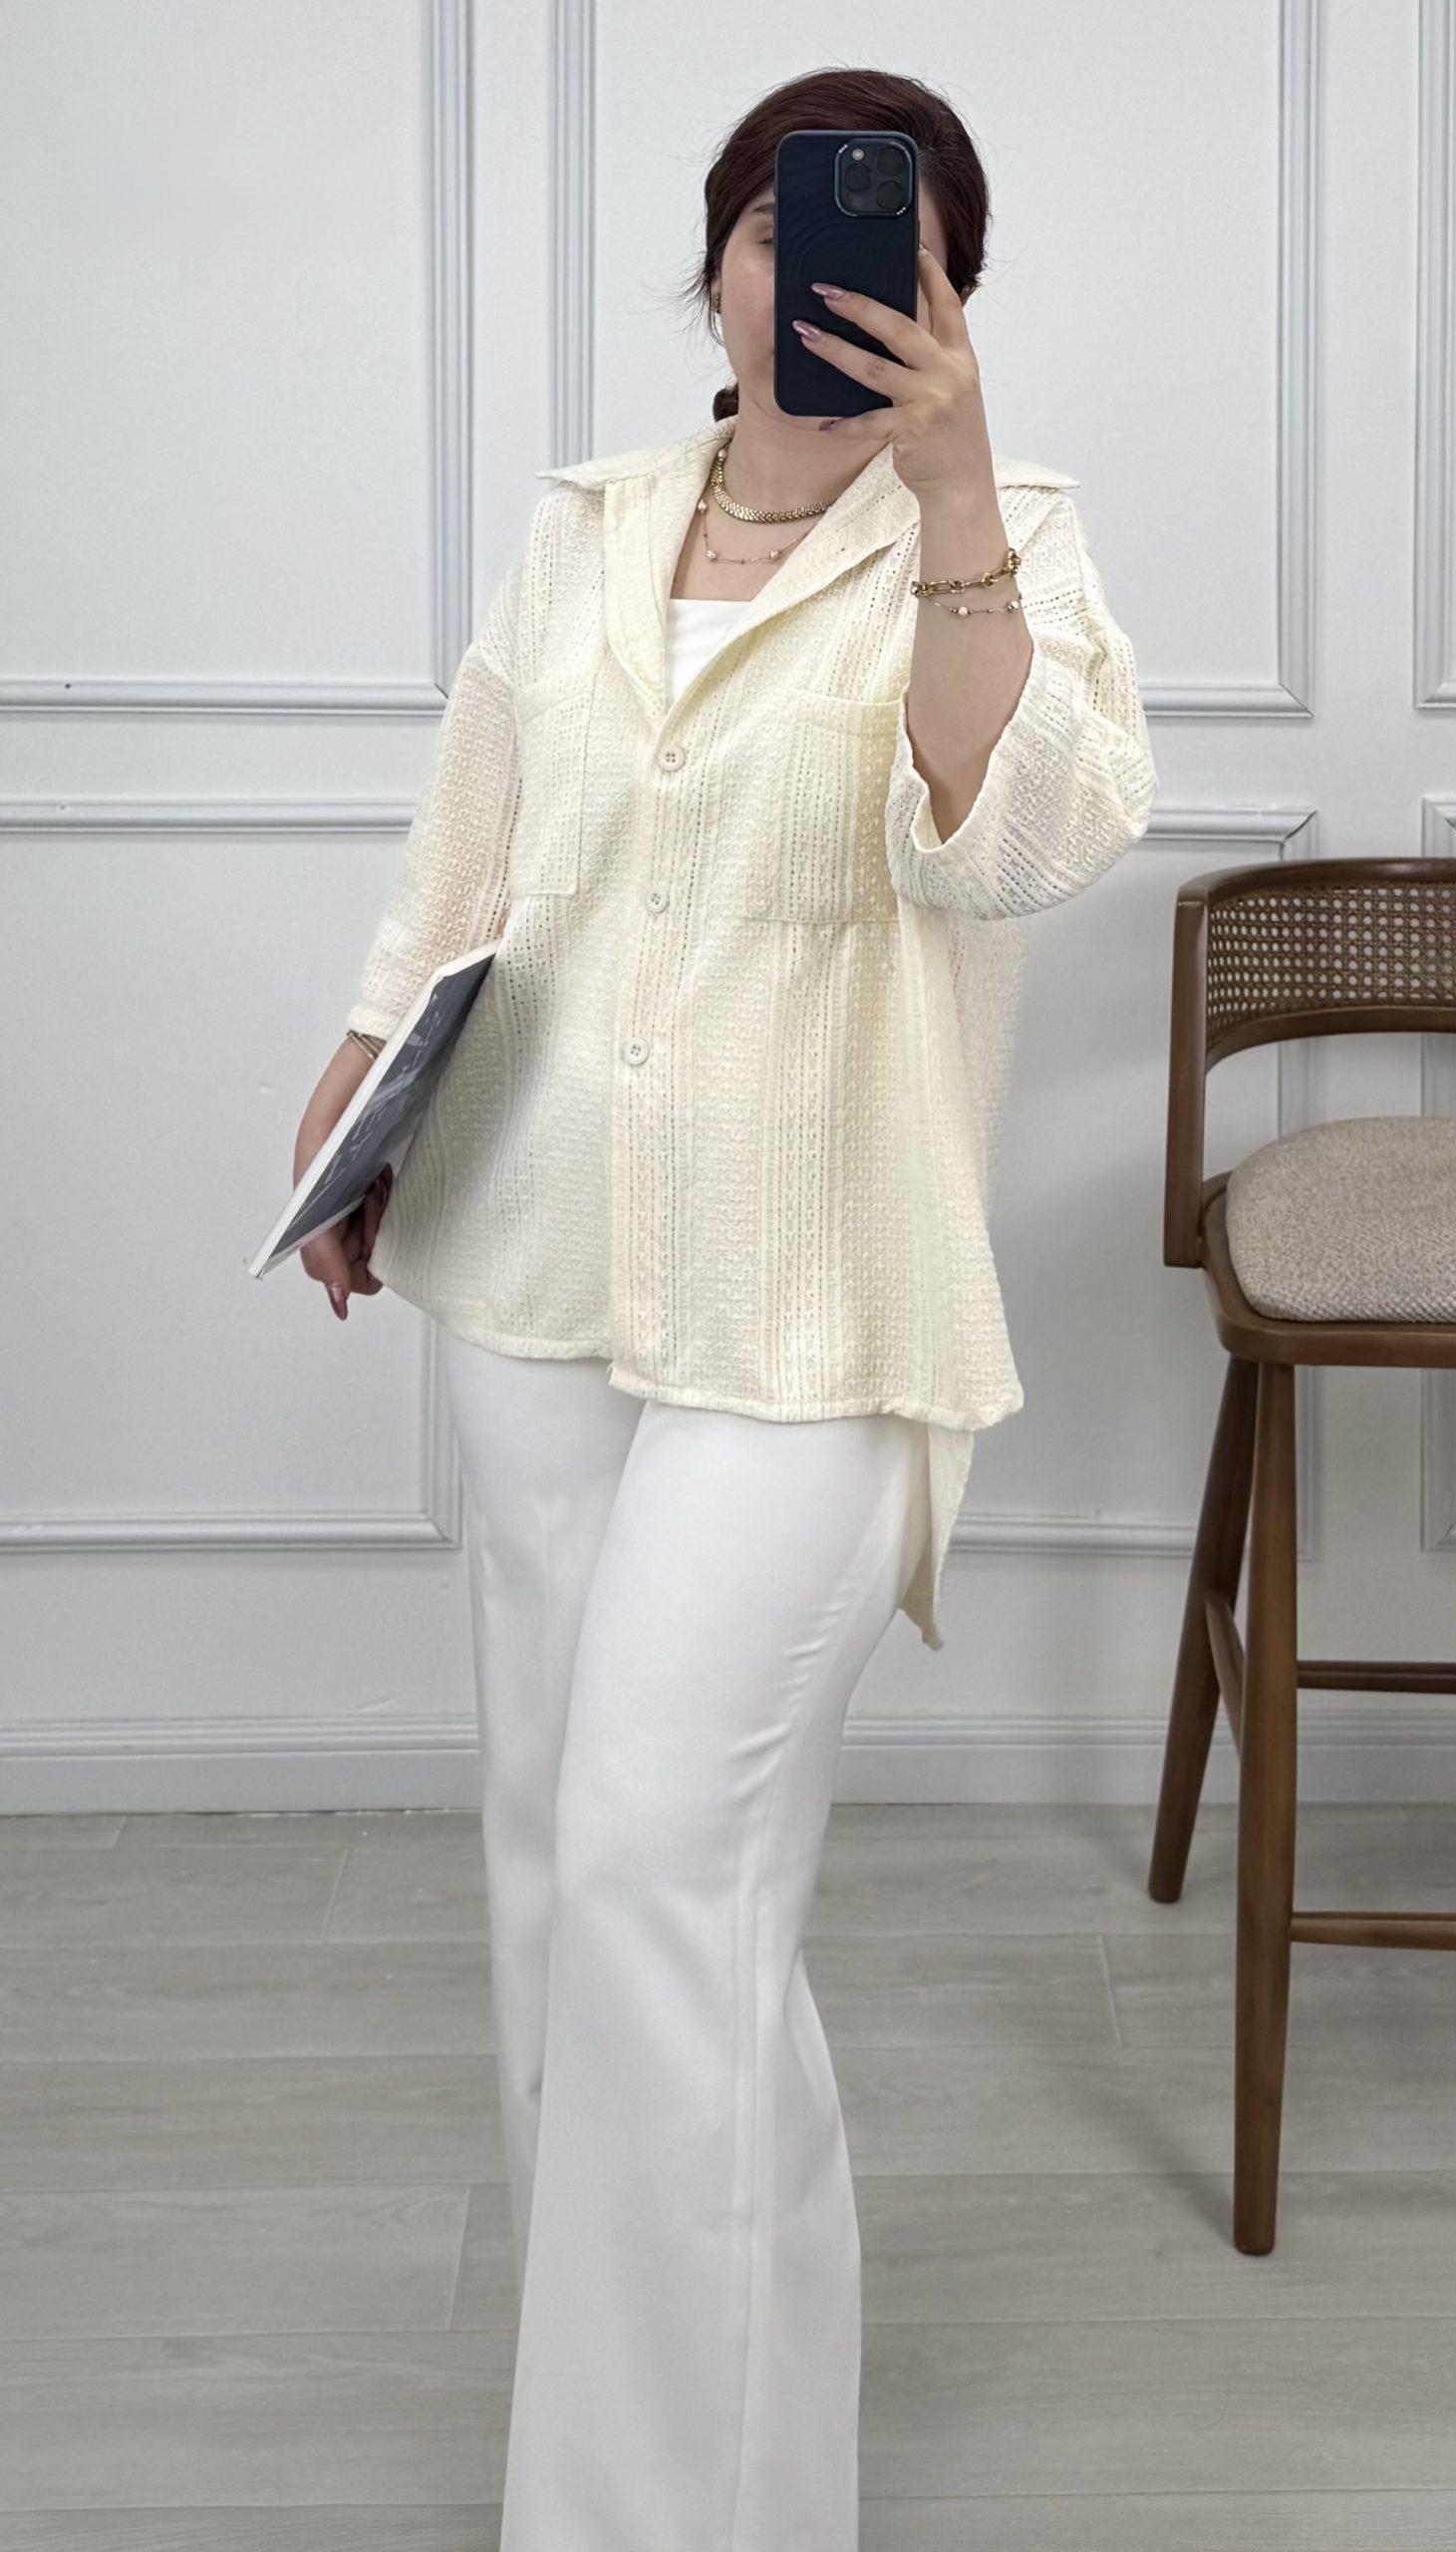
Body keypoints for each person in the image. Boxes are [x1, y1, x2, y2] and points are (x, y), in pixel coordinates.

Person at [288, 64, 1156, 2552]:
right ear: (715, 266)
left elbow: (1014, 844)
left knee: (666, 1861)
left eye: (884, 240)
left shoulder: (1016, 541)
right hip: (530, 1253)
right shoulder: (584, 526)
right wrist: (357, 1099)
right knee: (565, 1872)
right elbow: (470, 854)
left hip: (822, 1299)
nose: (817, 271)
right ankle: (696, 2477)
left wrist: (954, 502)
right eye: (777, 227)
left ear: (951, 290)